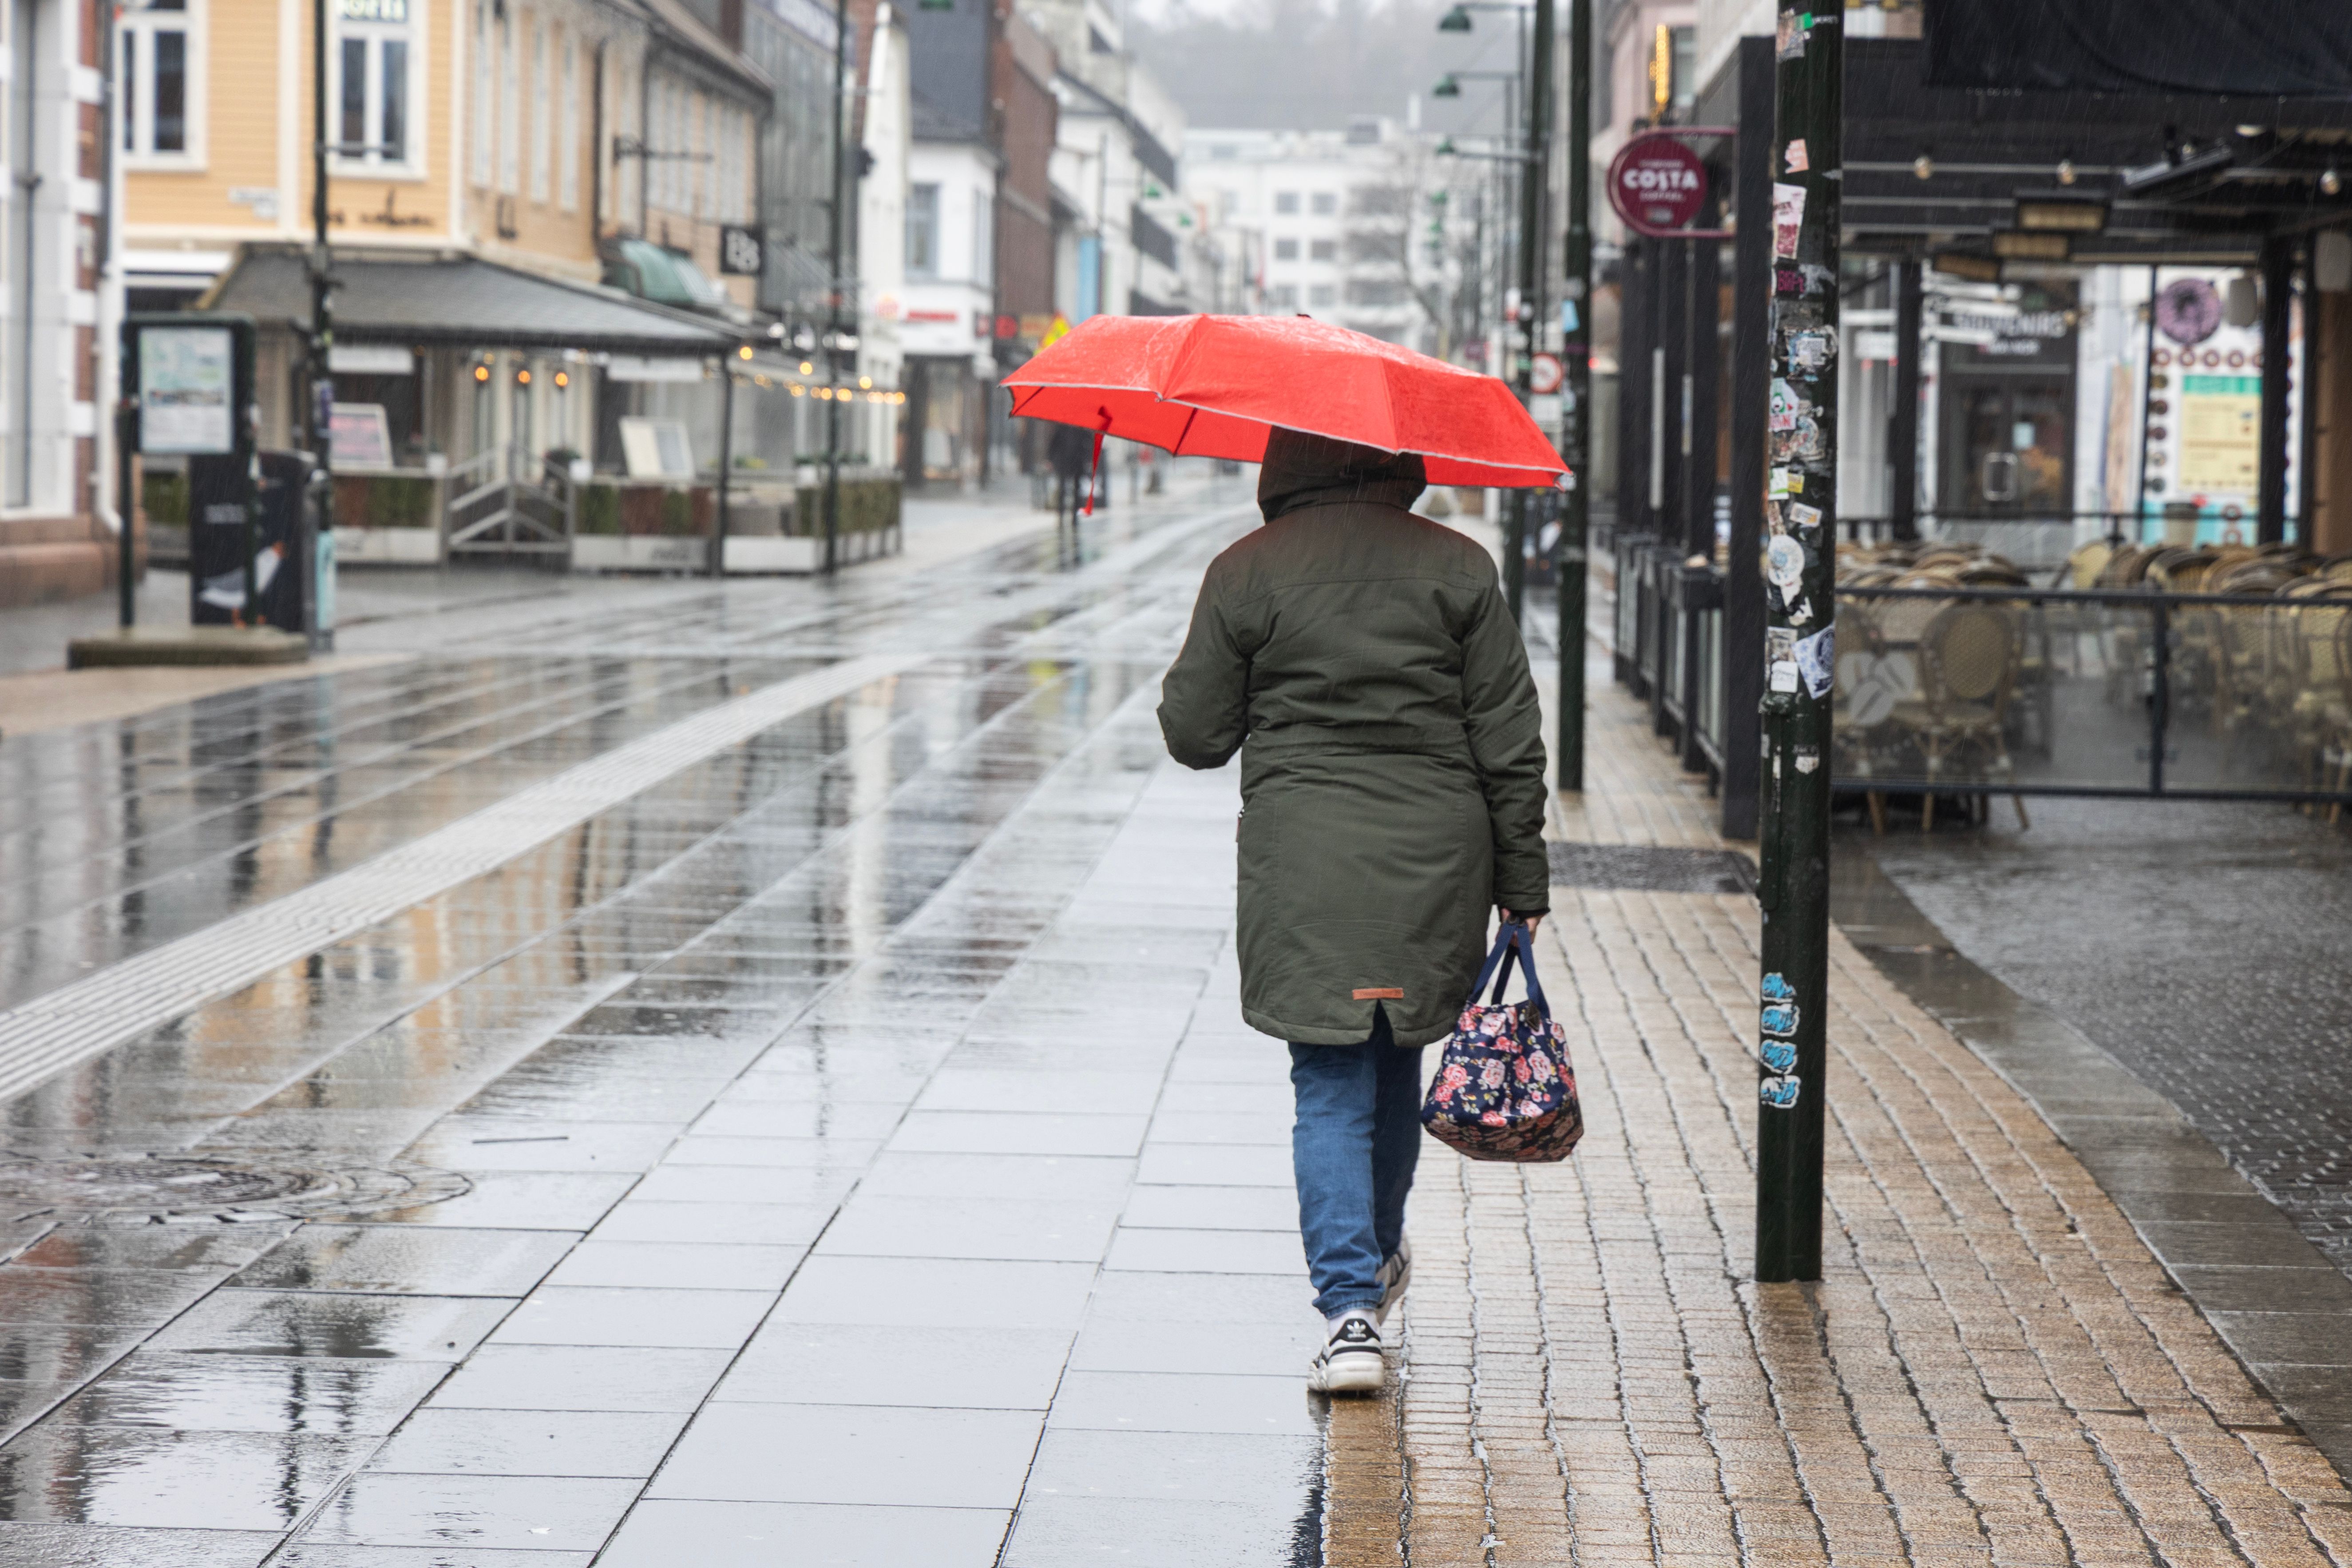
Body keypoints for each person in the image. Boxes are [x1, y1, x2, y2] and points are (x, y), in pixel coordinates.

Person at [1156, 428, 1550, 1395]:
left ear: (1283, 466)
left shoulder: (1247, 571)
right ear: (1399, 459)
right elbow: (1510, 735)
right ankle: (1370, 1267)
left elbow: (1195, 735)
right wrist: (1524, 882)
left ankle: (1350, 1311)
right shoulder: (1459, 567)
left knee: (1330, 1078)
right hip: (1437, 857)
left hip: (1307, 860)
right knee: (1395, 1054)